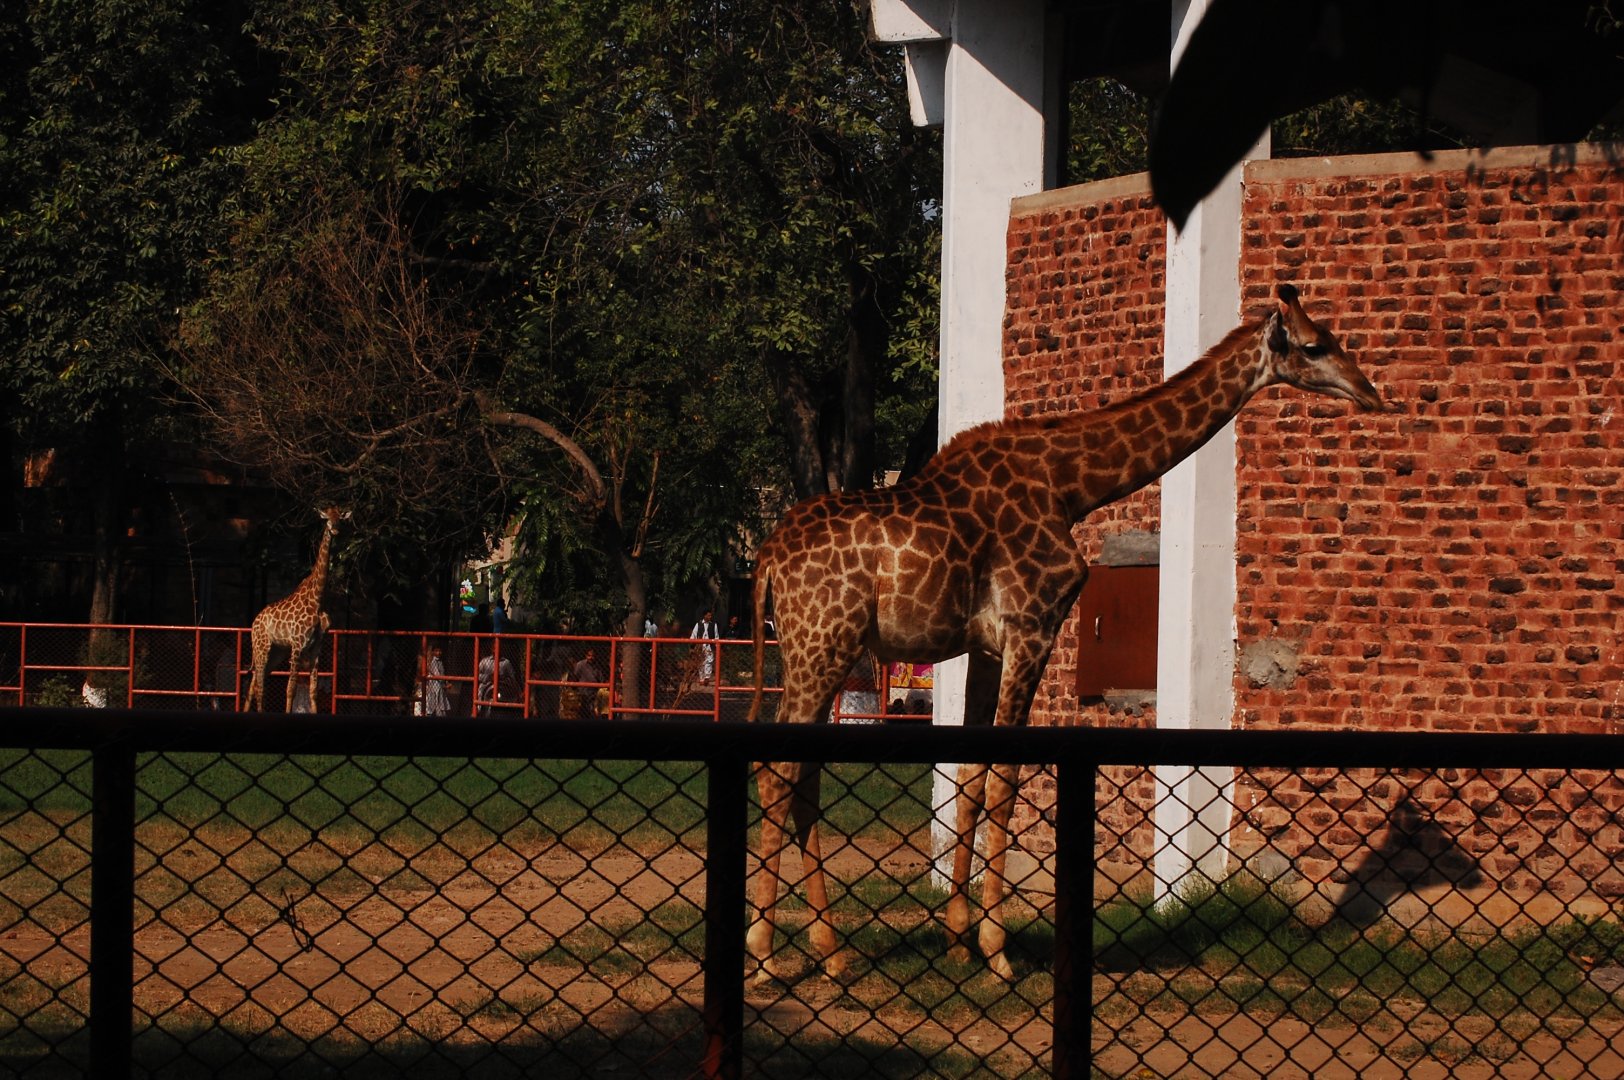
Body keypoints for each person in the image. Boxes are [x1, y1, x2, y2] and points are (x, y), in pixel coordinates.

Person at [477, 650, 519, 717]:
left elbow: (512, 676)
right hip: (487, 684)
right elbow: (478, 676)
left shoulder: (506, 662)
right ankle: (478, 709)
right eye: (494, 647)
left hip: (502, 685)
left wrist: (501, 677)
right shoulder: (484, 661)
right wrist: (489, 677)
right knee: (481, 689)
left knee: (509, 695)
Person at [568, 648, 604, 719]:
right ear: (586, 656)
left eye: (592, 656)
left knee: (593, 714)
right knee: (582, 714)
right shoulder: (580, 665)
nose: (591, 658)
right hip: (582, 694)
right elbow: (575, 677)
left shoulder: (598, 667)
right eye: (589, 656)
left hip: (594, 695)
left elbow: (601, 680)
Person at [418, 641, 451, 717]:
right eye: (436, 651)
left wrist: (446, 682)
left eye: (440, 651)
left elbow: (442, 674)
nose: (439, 653)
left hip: (440, 687)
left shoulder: (440, 662)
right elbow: (437, 676)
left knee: (440, 706)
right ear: (433, 652)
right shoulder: (433, 662)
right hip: (435, 687)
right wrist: (445, 686)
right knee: (435, 706)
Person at [689, 609, 720, 685]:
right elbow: (694, 634)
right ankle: (701, 678)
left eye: (710, 615)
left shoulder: (714, 625)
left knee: (709, 661)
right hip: (700, 646)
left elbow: (716, 637)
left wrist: (716, 646)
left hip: (709, 646)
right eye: (708, 615)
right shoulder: (698, 624)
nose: (710, 617)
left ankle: (707, 677)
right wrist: (692, 643)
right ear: (704, 615)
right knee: (701, 662)